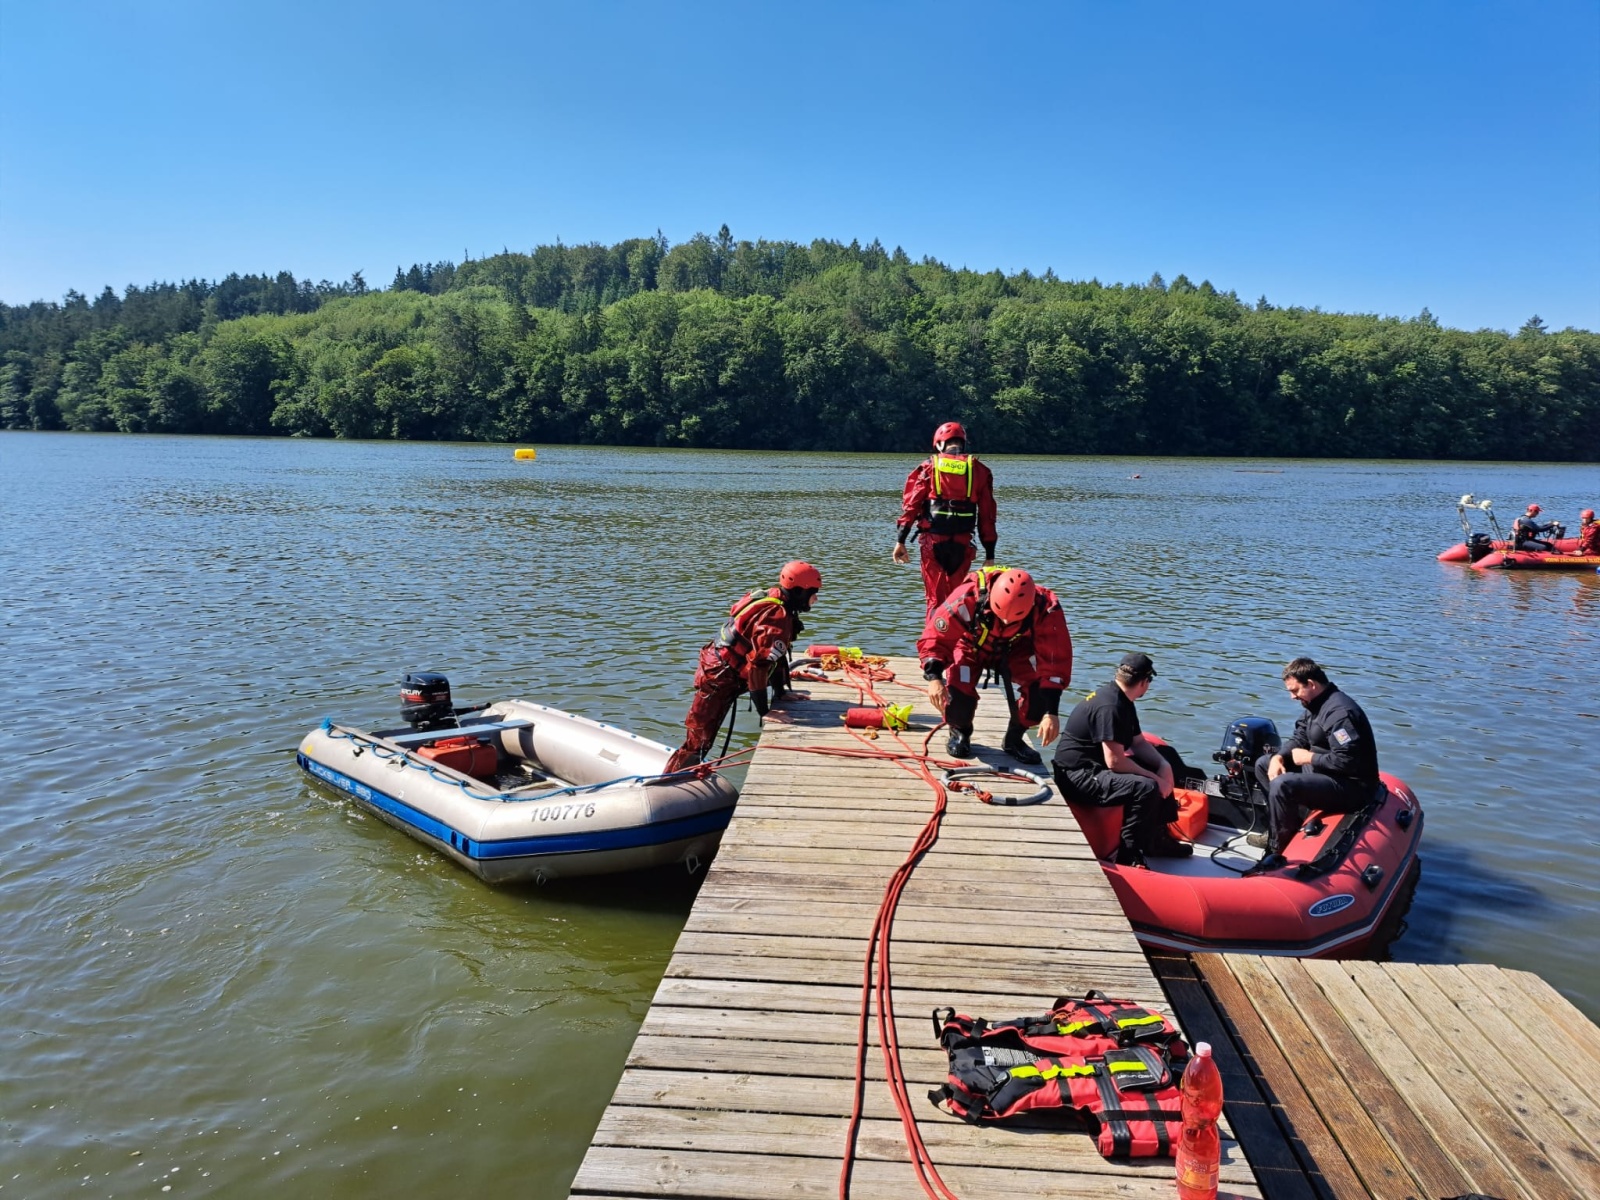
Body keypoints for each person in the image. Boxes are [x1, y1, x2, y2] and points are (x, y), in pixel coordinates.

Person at [663, 561, 821, 774]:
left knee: (702, 739)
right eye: (813, 593)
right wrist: (765, 711)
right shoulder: (777, 616)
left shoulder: (775, 599)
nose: (816, 599)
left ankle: (686, 774)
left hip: (724, 670)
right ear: (800, 591)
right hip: (718, 678)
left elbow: (775, 656)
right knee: (699, 740)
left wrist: (781, 693)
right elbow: (759, 666)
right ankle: (670, 780)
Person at [918, 567, 1071, 765]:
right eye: (1000, 617)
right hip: (970, 646)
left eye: (1013, 620)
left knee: (1039, 695)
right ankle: (960, 731)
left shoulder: (1047, 609)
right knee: (958, 696)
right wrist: (934, 677)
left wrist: (1052, 712)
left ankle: (1014, 739)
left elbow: (1055, 661)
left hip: (1015, 651)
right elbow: (935, 639)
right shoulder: (966, 597)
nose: (1005, 621)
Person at [1052, 653, 1191, 868]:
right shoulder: (1111, 707)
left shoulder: (1122, 699)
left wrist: (1164, 766)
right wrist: (1157, 779)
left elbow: (1138, 742)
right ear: (1144, 683)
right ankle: (1129, 855)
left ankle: (1157, 839)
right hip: (1078, 775)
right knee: (1146, 787)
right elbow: (1115, 762)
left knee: (1159, 763)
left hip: (1093, 768)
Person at [1248, 658, 1381, 870]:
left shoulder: (1339, 713)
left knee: (1284, 785)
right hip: (1325, 772)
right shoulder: (1314, 704)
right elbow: (1300, 736)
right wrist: (1279, 756)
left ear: (1311, 684)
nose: (1292, 696)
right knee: (1264, 764)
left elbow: (1348, 761)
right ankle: (1279, 828)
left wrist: (1310, 758)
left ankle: (1277, 853)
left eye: (1295, 690)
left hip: (1351, 786)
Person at [893, 421, 998, 618]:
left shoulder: (929, 468)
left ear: (939, 444)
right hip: (963, 543)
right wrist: (990, 555)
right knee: (958, 599)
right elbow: (987, 515)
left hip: (932, 543)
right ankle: (958, 645)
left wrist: (901, 540)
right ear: (963, 444)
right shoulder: (979, 471)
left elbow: (911, 505)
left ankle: (932, 646)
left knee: (935, 600)